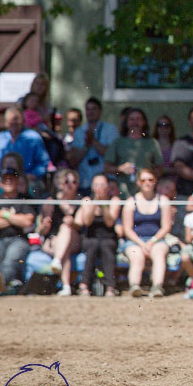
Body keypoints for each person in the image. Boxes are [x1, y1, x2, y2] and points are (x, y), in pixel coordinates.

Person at [121, 168, 172, 297]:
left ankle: (157, 287)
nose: (147, 183)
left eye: (150, 180)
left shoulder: (163, 200)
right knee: (137, 257)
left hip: (157, 240)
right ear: (138, 182)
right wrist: (141, 243)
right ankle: (134, 286)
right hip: (134, 241)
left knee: (159, 254)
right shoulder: (131, 202)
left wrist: (152, 241)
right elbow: (127, 229)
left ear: (155, 182)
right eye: (143, 180)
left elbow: (166, 227)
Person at [0, 166, 37, 296]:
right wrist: (15, 219)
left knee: (11, 260)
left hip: (18, 239)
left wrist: (4, 215)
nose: (8, 181)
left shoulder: (25, 199)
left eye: (12, 179)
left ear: (17, 181)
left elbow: (28, 222)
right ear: (0, 182)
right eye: (5, 179)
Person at [76, 174, 122, 297]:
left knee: (107, 247)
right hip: (91, 237)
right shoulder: (87, 200)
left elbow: (110, 222)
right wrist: (95, 202)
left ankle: (111, 287)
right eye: (96, 185)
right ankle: (84, 285)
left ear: (107, 186)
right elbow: (87, 221)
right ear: (92, 186)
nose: (99, 187)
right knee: (92, 245)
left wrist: (103, 204)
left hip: (108, 237)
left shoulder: (114, 200)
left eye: (102, 185)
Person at [104, 107, 164, 198]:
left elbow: (160, 168)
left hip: (146, 193)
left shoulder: (152, 142)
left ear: (144, 122)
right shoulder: (118, 142)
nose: (135, 122)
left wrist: (148, 176)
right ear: (127, 122)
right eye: (132, 119)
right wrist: (120, 169)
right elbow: (106, 167)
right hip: (123, 192)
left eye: (138, 119)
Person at [42, 169, 84, 295]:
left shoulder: (81, 201)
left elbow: (80, 225)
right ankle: (66, 286)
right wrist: (45, 225)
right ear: (60, 184)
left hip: (74, 239)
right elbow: (42, 230)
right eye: (66, 181)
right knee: (63, 248)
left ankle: (57, 261)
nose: (70, 184)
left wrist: (72, 222)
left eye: (74, 181)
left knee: (66, 228)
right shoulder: (51, 201)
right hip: (54, 240)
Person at [68, 97, 119, 195]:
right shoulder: (79, 131)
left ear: (100, 111)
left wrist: (93, 142)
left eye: (94, 109)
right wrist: (86, 146)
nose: (91, 112)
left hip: (106, 180)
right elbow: (73, 161)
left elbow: (111, 156)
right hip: (85, 180)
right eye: (88, 109)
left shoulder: (110, 129)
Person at [0, 106, 51, 181]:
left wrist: (33, 175)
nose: (14, 123)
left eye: (16, 119)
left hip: (28, 180)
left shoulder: (33, 138)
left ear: (23, 121)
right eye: (10, 120)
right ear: (6, 123)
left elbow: (43, 162)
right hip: (2, 180)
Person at [152, 115, 177, 179]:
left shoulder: (176, 145)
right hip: (154, 181)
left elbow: (180, 168)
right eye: (160, 125)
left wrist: (165, 170)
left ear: (170, 128)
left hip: (173, 182)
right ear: (156, 128)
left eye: (166, 125)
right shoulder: (151, 145)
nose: (163, 128)